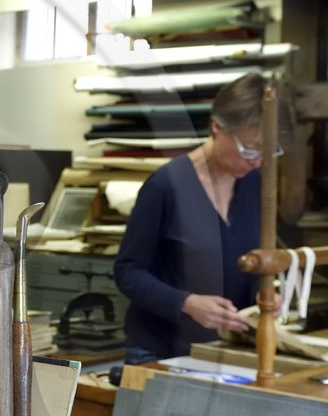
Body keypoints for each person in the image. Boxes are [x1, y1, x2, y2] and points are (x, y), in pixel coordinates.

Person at [113, 72, 278, 364]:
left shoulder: (255, 184)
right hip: (161, 351)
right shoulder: (166, 186)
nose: (256, 162)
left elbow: (251, 259)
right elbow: (128, 271)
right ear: (217, 128)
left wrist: (264, 297)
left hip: (227, 351)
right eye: (248, 150)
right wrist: (186, 303)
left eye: (266, 152)